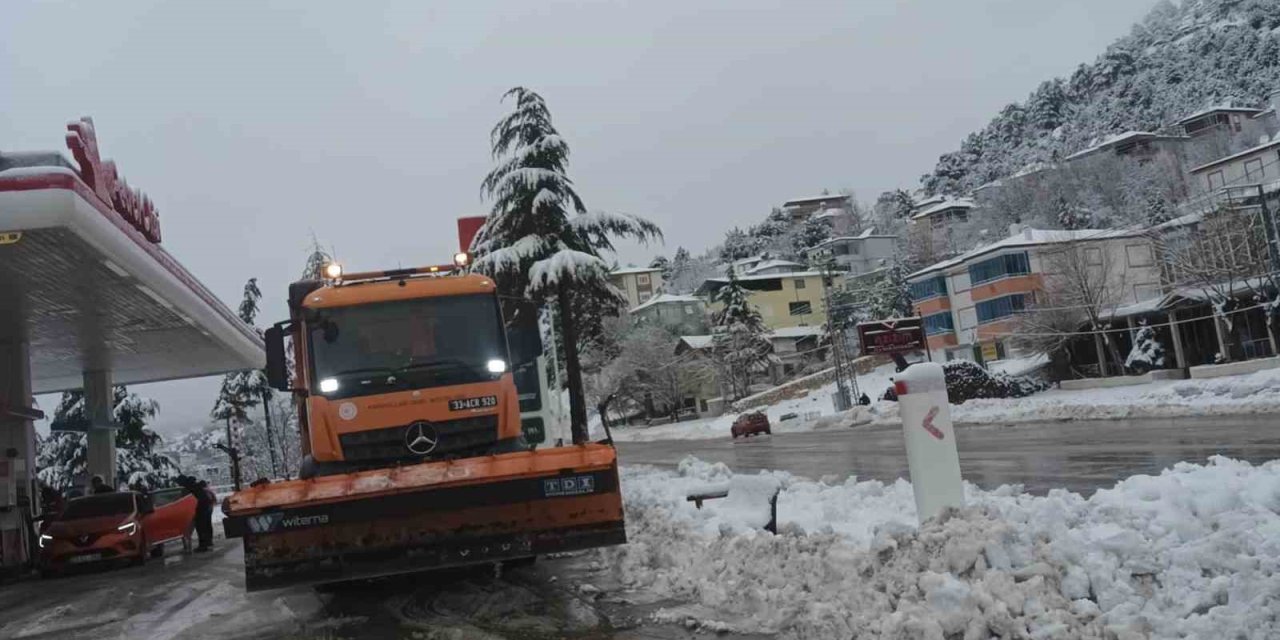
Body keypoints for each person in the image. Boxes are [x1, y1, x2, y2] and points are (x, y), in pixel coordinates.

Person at [193, 480, 216, 552]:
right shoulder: (209, 491)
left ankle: (203, 545)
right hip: (209, 509)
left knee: (201, 528)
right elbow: (214, 499)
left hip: (203, 511)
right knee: (208, 525)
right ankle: (209, 541)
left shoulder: (200, 492)